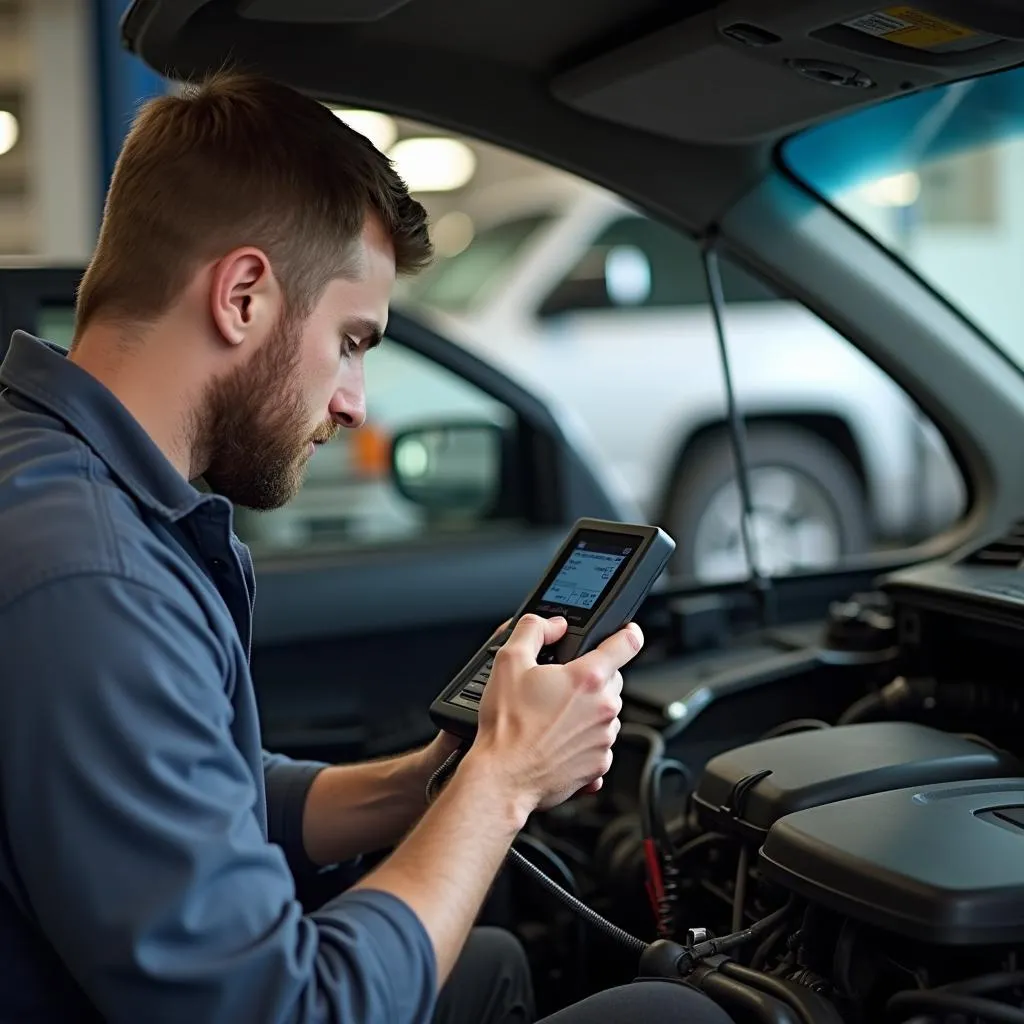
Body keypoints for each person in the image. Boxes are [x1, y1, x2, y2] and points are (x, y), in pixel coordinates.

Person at [0, 72, 735, 1024]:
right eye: (352, 340)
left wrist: (429, 781)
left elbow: (190, 790)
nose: (352, 402)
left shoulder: (59, 479)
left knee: (496, 963)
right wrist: (500, 783)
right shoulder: (93, 578)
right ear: (244, 295)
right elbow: (290, 1009)